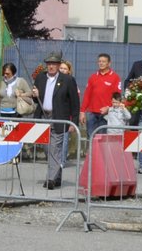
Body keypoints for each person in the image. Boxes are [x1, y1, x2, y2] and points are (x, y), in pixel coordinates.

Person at [32, 52, 81, 189]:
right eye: (49, 64)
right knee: (48, 149)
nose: (51, 66)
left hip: (59, 117)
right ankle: (57, 176)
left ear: (59, 65)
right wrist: (35, 95)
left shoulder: (67, 80)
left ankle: (51, 179)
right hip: (43, 116)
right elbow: (36, 100)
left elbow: (75, 103)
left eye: (54, 64)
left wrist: (74, 122)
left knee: (55, 148)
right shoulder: (41, 78)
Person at [81, 53, 123, 136]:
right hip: (91, 114)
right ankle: (90, 149)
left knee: (102, 140)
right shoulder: (92, 77)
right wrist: (82, 111)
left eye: (103, 61)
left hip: (106, 114)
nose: (101, 63)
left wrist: (108, 108)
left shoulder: (115, 77)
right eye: (99, 61)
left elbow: (117, 97)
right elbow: (87, 95)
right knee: (91, 138)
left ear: (109, 63)